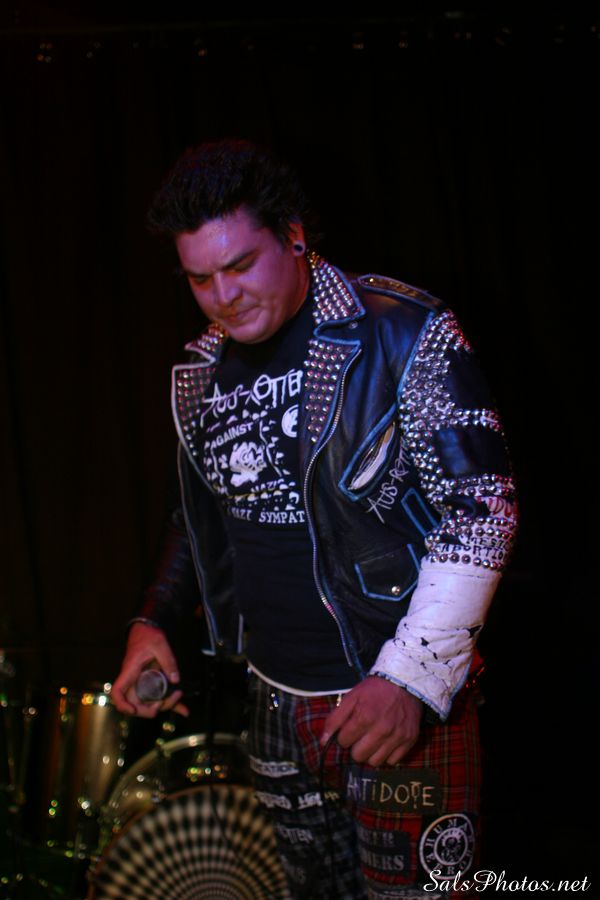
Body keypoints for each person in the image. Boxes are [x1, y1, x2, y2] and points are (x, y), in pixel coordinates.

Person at [112, 139, 518, 899]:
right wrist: (154, 619)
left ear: (294, 236)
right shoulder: (202, 369)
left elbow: (482, 510)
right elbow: (198, 518)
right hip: (273, 703)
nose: (223, 295)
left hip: (392, 700)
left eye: (240, 265)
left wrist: (409, 678)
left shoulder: (401, 330)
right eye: (199, 278)